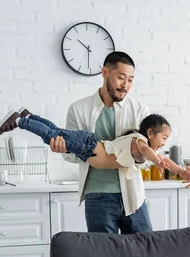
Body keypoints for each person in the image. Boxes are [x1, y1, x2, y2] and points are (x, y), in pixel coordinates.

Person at [49, 51, 155, 234]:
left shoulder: (139, 110)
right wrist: (64, 150)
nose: (126, 86)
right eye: (121, 78)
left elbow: (147, 159)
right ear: (105, 72)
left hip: (133, 195)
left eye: (130, 80)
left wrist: (141, 155)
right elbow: (73, 156)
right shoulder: (78, 109)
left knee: (146, 251)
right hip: (98, 196)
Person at [0, 110, 190, 181]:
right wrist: (156, 160)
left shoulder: (147, 149)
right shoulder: (139, 140)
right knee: (52, 136)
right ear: (150, 133)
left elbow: (166, 161)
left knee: (56, 132)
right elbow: (149, 151)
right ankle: (20, 121)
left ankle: (31, 116)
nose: (165, 143)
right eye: (164, 138)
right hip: (88, 145)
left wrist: (182, 171)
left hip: (85, 149)